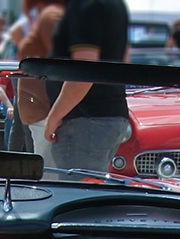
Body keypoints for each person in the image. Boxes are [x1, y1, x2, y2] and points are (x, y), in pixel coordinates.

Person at [43, 0, 128, 173]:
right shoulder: (115, 5)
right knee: (92, 190)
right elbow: (124, 56)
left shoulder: (85, 5)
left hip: (84, 121)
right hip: (105, 115)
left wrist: (53, 117)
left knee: (77, 194)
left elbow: (84, 70)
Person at [16, 0, 65, 160]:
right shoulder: (46, 15)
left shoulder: (52, 15)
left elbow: (63, 62)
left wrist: (56, 116)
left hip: (48, 113)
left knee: (51, 178)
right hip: (43, 113)